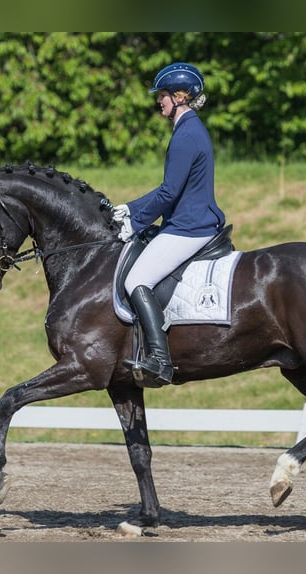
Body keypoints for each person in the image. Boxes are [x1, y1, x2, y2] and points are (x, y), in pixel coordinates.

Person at [112, 62, 226, 387]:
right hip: (186, 220)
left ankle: (159, 360)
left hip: (190, 226)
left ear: (179, 96)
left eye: (162, 95)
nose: (158, 101)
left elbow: (168, 191)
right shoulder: (189, 129)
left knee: (136, 279)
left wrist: (132, 217)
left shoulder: (187, 134)